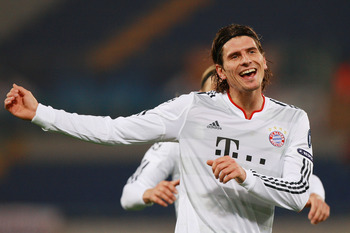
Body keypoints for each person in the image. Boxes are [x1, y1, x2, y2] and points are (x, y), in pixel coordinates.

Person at [4, 24, 319, 232]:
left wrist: (244, 174)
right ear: (221, 72)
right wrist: (41, 114)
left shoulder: (293, 119)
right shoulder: (192, 108)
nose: (246, 60)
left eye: (252, 52)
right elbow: (115, 130)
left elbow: (296, 194)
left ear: (264, 60)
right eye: (234, 56)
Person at [120, 65, 330, 225]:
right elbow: (129, 194)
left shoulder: (255, 138)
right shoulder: (176, 142)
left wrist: (315, 196)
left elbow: (305, 179)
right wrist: (146, 194)